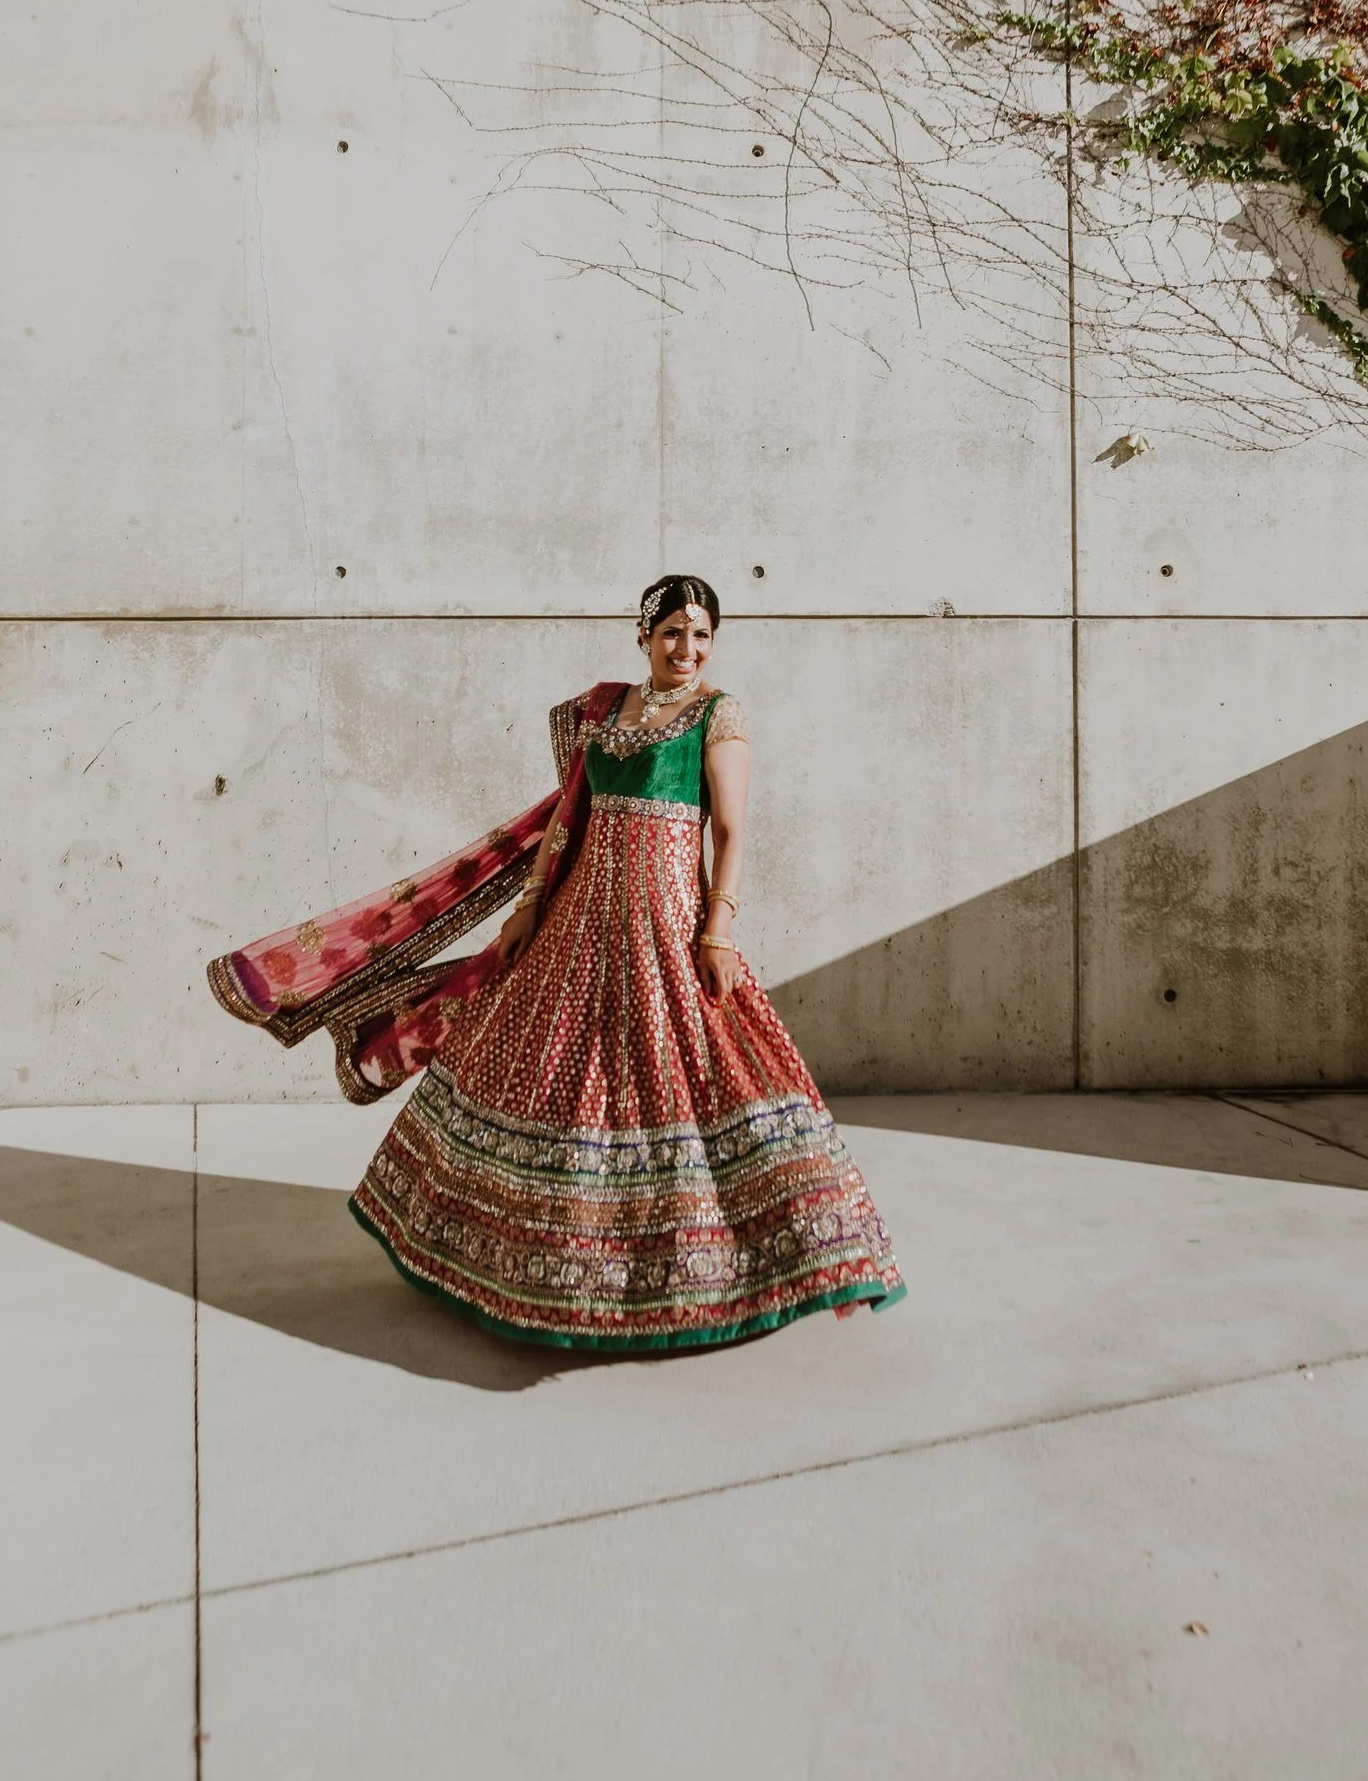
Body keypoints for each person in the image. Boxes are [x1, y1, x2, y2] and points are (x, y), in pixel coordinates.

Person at [209, 574, 904, 1350]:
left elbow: (732, 834)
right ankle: (523, 1263)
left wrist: (717, 932)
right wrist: (528, 907)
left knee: (691, 1067)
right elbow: (567, 824)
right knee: (541, 1065)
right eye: (674, 631)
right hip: (579, 920)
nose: (689, 648)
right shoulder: (603, 714)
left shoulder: (718, 715)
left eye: (703, 634)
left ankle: (726, 1264)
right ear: (644, 636)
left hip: (665, 924)